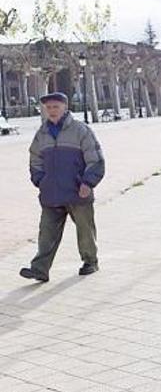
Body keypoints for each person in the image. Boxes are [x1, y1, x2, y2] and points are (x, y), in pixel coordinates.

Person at [19, 92, 105, 282]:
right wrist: (40, 180)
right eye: (48, 108)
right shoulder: (41, 134)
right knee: (46, 233)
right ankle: (40, 269)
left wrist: (88, 182)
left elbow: (96, 159)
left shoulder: (81, 130)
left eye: (55, 107)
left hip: (78, 192)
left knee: (85, 230)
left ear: (65, 107)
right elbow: (35, 159)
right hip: (51, 193)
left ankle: (90, 261)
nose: (51, 111)